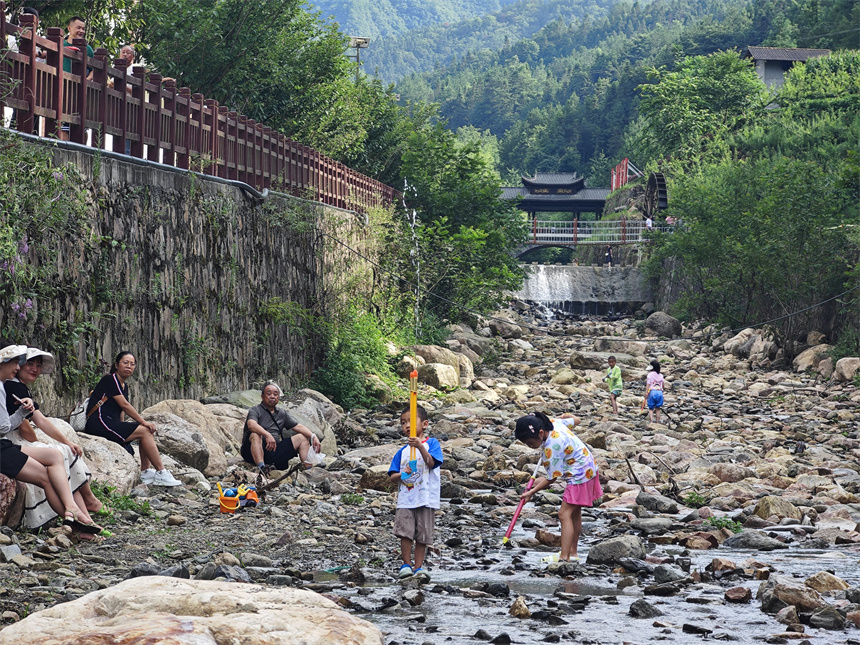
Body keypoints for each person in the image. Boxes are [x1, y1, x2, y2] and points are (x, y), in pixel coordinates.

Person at [0, 345, 105, 538]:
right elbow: (8, 427)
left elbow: (24, 421)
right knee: (56, 458)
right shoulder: (10, 386)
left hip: (6, 443)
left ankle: (76, 515)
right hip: (6, 443)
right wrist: (27, 422)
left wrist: (23, 413)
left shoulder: (6, 386)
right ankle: (81, 515)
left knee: (54, 460)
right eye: (18, 362)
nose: (19, 366)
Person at [81, 351, 182, 486]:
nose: (129, 366)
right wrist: (143, 421)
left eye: (132, 364)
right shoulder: (110, 379)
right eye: (125, 363)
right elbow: (125, 405)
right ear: (117, 365)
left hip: (111, 422)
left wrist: (124, 428)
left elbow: (121, 409)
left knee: (144, 431)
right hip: (99, 423)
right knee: (144, 429)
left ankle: (146, 472)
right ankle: (161, 472)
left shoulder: (124, 385)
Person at [514, 411, 602, 562]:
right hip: (588, 467)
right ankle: (573, 554)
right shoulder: (554, 423)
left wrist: (531, 492)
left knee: (564, 514)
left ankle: (564, 557)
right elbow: (577, 420)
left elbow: (552, 478)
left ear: (541, 433)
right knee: (574, 513)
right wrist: (565, 416)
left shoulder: (551, 448)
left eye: (531, 443)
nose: (531, 446)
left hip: (579, 475)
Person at [387, 405, 443, 581]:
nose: (406, 426)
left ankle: (418, 566)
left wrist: (420, 447)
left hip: (426, 498)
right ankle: (406, 564)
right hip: (406, 498)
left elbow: (431, 463)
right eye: (403, 423)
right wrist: (404, 475)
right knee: (405, 532)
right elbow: (392, 476)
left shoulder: (432, 444)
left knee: (422, 534)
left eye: (410, 421)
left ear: (424, 424)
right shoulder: (402, 452)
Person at [241, 381, 321, 481]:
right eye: (269, 393)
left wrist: (313, 436)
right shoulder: (255, 410)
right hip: (251, 450)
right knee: (255, 434)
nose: (272, 396)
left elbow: (298, 426)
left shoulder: (282, 413)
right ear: (262, 396)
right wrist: (267, 434)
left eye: (275, 394)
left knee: (302, 438)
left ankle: (309, 472)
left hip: (273, 450)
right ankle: (262, 469)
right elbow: (251, 425)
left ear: (278, 397)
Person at [645, 359, 665, 424]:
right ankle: (657, 421)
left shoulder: (650, 375)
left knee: (651, 408)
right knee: (658, 408)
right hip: (659, 392)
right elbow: (663, 385)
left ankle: (651, 421)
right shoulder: (661, 375)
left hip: (652, 392)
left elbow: (648, 384)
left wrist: (646, 393)